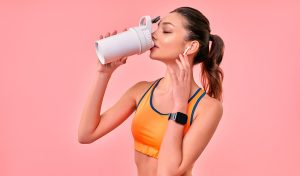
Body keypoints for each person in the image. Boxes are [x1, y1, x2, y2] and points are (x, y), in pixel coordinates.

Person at [78, 6, 224, 176]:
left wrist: (179, 104)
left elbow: (168, 172)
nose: (154, 35)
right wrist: (103, 74)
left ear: (191, 47)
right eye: (157, 28)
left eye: (166, 31)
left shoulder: (208, 108)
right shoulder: (141, 91)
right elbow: (86, 134)